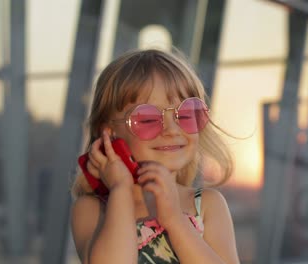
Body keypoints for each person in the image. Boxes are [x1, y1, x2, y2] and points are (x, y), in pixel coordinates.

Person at [70, 48, 240, 263]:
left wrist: (174, 220)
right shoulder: (93, 210)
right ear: (109, 134)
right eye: (148, 119)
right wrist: (120, 190)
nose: (172, 129)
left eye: (186, 114)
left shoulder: (207, 204)